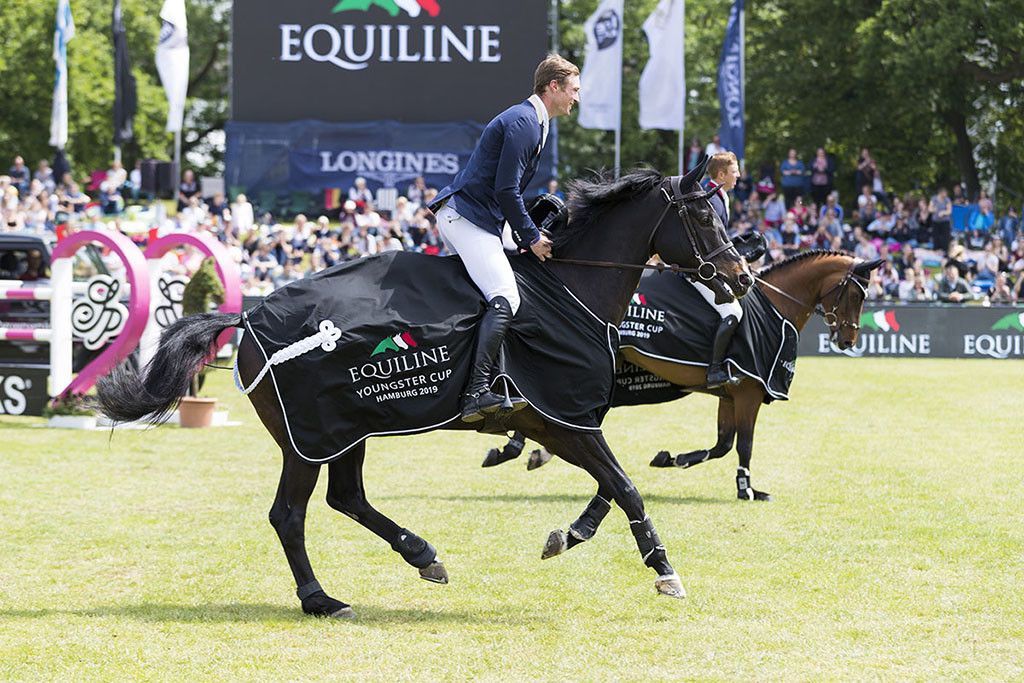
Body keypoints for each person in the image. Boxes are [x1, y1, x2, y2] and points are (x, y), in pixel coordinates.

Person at [430, 54, 577, 422]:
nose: (577, 98)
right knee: (506, 296)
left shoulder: (534, 122)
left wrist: (526, 232)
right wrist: (531, 236)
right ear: (553, 86)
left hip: (479, 218)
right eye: (573, 90)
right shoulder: (526, 122)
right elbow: (507, 190)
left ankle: (504, 378)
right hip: (467, 219)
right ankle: (476, 392)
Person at [682, 151, 746, 388]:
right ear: (721, 174)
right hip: (700, 273)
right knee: (733, 313)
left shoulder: (720, 196)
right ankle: (714, 370)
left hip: (710, 269)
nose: (738, 175)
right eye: (734, 171)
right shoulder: (712, 199)